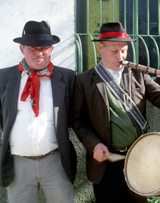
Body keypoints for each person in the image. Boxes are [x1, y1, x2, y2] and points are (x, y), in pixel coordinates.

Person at [71, 21, 160, 203]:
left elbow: (158, 96)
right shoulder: (84, 81)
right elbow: (78, 121)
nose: (120, 56)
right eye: (114, 51)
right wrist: (94, 144)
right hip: (106, 163)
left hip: (138, 159)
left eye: (124, 50)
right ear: (100, 49)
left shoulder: (138, 74)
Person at [0, 20, 77, 203]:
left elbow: (76, 115)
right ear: (22, 49)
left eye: (43, 47)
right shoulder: (4, 77)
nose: (38, 53)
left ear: (51, 49)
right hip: (18, 163)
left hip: (55, 161)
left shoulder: (67, 77)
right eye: (32, 48)